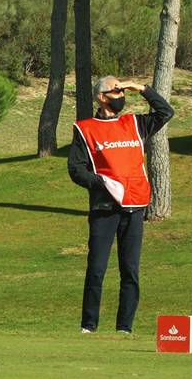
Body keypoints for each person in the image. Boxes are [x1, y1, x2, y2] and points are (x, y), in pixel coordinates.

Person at [68, 76, 174, 334]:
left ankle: (124, 328)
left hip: (135, 207)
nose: (121, 95)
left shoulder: (135, 123)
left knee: (130, 271)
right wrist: (102, 182)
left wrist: (142, 89)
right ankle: (89, 326)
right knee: (96, 270)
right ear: (102, 97)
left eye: (122, 91)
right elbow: (76, 169)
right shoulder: (85, 128)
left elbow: (166, 111)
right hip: (104, 209)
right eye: (116, 91)